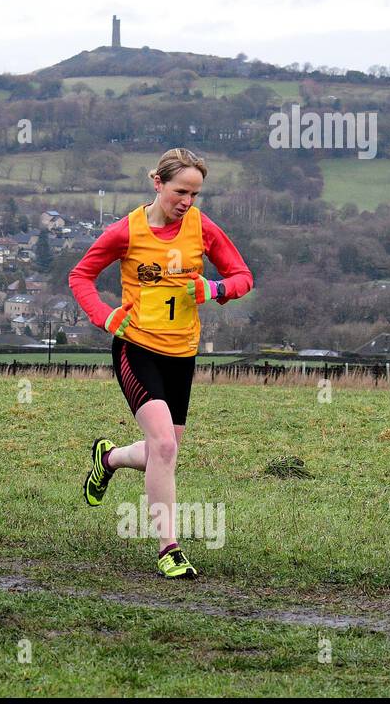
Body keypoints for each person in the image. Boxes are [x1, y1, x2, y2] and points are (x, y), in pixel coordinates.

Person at [68, 147, 252, 578]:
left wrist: (216, 290)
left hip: (182, 354)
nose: (187, 201)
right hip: (137, 349)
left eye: (195, 194)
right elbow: (81, 276)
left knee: (160, 451)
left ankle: (108, 459)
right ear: (158, 183)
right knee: (165, 447)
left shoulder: (202, 228)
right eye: (180, 191)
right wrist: (106, 316)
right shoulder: (126, 231)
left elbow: (243, 276)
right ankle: (169, 548)